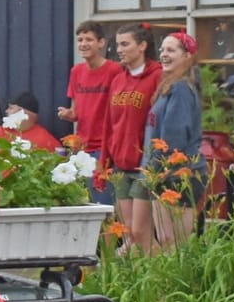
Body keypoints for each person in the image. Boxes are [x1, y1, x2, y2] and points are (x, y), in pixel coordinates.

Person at [144, 31, 206, 249]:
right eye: (162, 50)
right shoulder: (170, 86)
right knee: (167, 240)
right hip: (164, 171)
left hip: (178, 173)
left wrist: (159, 170)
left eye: (171, 50)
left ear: (187, 56)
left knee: (175, 242)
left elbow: (174, 135)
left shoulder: (180, 89)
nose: (164, 54)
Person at [105, 23, 163, 251]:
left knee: (140, 232)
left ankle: (161, 268)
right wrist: (105, 162)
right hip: (120, 163)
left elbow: (158, 121)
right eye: (117, 45)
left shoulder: (157, 77)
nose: (119, 50)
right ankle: (150, 267)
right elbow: (109, 124)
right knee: (131, 231)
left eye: (125, 44)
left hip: (143, 164)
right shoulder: (118, 80)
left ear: (142, 46)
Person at [59, 21, 116, 204]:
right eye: (80, 40)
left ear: (101, 43)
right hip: (81, 148)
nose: (83, 44)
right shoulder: (76, 71)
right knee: (83, 201)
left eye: (89, 39)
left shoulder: (114, 70)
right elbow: (75, 112)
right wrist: (68, 114)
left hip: (104, 147)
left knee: (103, 203)